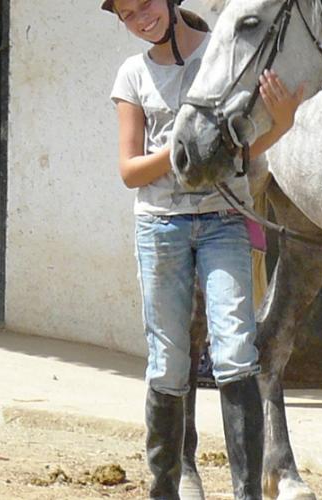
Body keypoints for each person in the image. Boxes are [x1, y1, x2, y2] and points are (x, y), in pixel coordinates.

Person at [104, 0, 303, 496]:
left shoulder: (219, 55)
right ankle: (166, 487)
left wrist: (281, 124)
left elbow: (238, 152)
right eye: (127, 15)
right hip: (161, 227)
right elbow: (130, 171)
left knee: (237, 351)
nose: (140, 19)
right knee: (169, 361)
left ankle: (246, 492)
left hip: (223, 220)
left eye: (145, 5)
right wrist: (180, 152)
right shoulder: (132, 75)